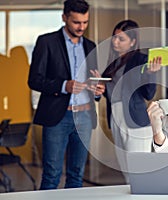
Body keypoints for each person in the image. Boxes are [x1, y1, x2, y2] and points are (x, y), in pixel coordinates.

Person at [28, 0, 105, 189]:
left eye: (85, 22)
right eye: (76, 22)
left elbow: (93, 80)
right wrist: (64, 85)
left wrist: (98, 90)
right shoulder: (46, 42)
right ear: (64, 18)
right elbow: (34, 80)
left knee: (77, 175)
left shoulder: (91, 45)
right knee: (52, 174)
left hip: (85, 116)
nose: (81, 27)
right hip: (58, 118)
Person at [101, 20, 161, 179]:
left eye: (121, 39)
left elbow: (148, 94)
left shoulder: (141, 60)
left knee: (139, 172)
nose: (115, 41)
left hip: (135, 121)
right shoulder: (111, 65)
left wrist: (151, 74)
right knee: (126, 172)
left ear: (133, 42)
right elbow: (109, 92)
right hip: (116, 118)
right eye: (114, 37)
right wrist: (98, 90)